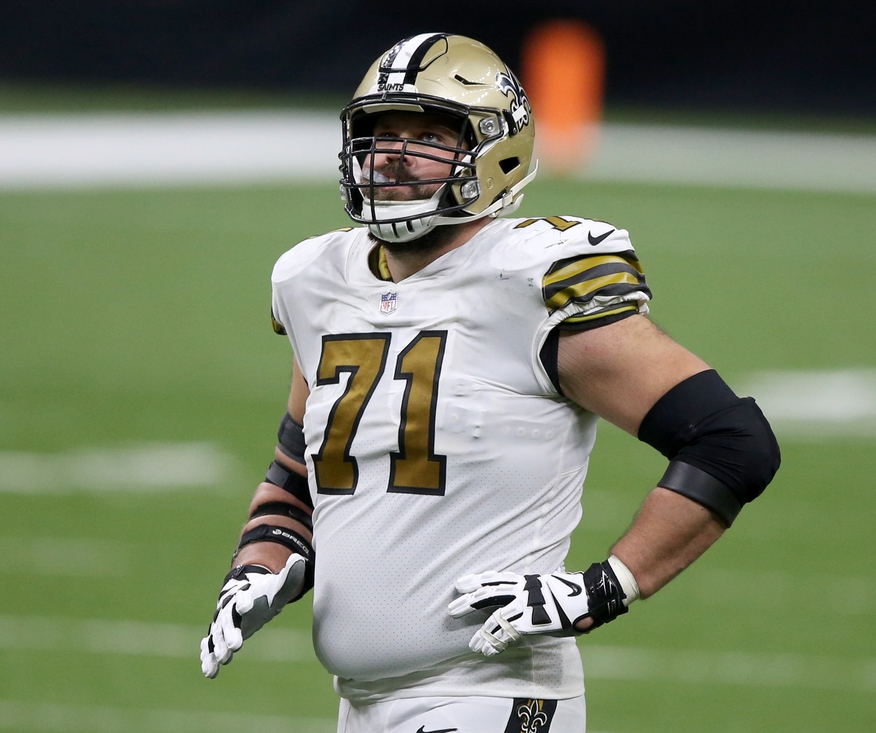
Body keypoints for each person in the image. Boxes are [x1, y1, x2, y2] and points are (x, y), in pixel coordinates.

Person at [199, 33, 780, 733]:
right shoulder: (314, 279)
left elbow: (730, 439)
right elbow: (297, 471)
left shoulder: (531, 277)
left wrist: (607, 584)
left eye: (427, 135)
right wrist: (262, 564)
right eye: (381, 133)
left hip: (491, 691)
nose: (393, 153)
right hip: (362, 703)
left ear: (495, 150)